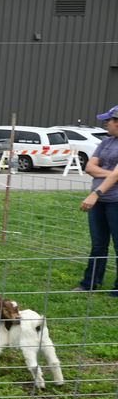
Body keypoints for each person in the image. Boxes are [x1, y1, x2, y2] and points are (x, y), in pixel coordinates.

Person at [76, 104, 118, 294]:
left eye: (108, 121)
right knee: (98, 244)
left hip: (114, 201)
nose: (105, 124)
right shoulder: (106, 142)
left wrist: (95, 193)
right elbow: (90, 167)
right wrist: (111, 173)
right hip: (100, 203)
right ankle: (90, 283)